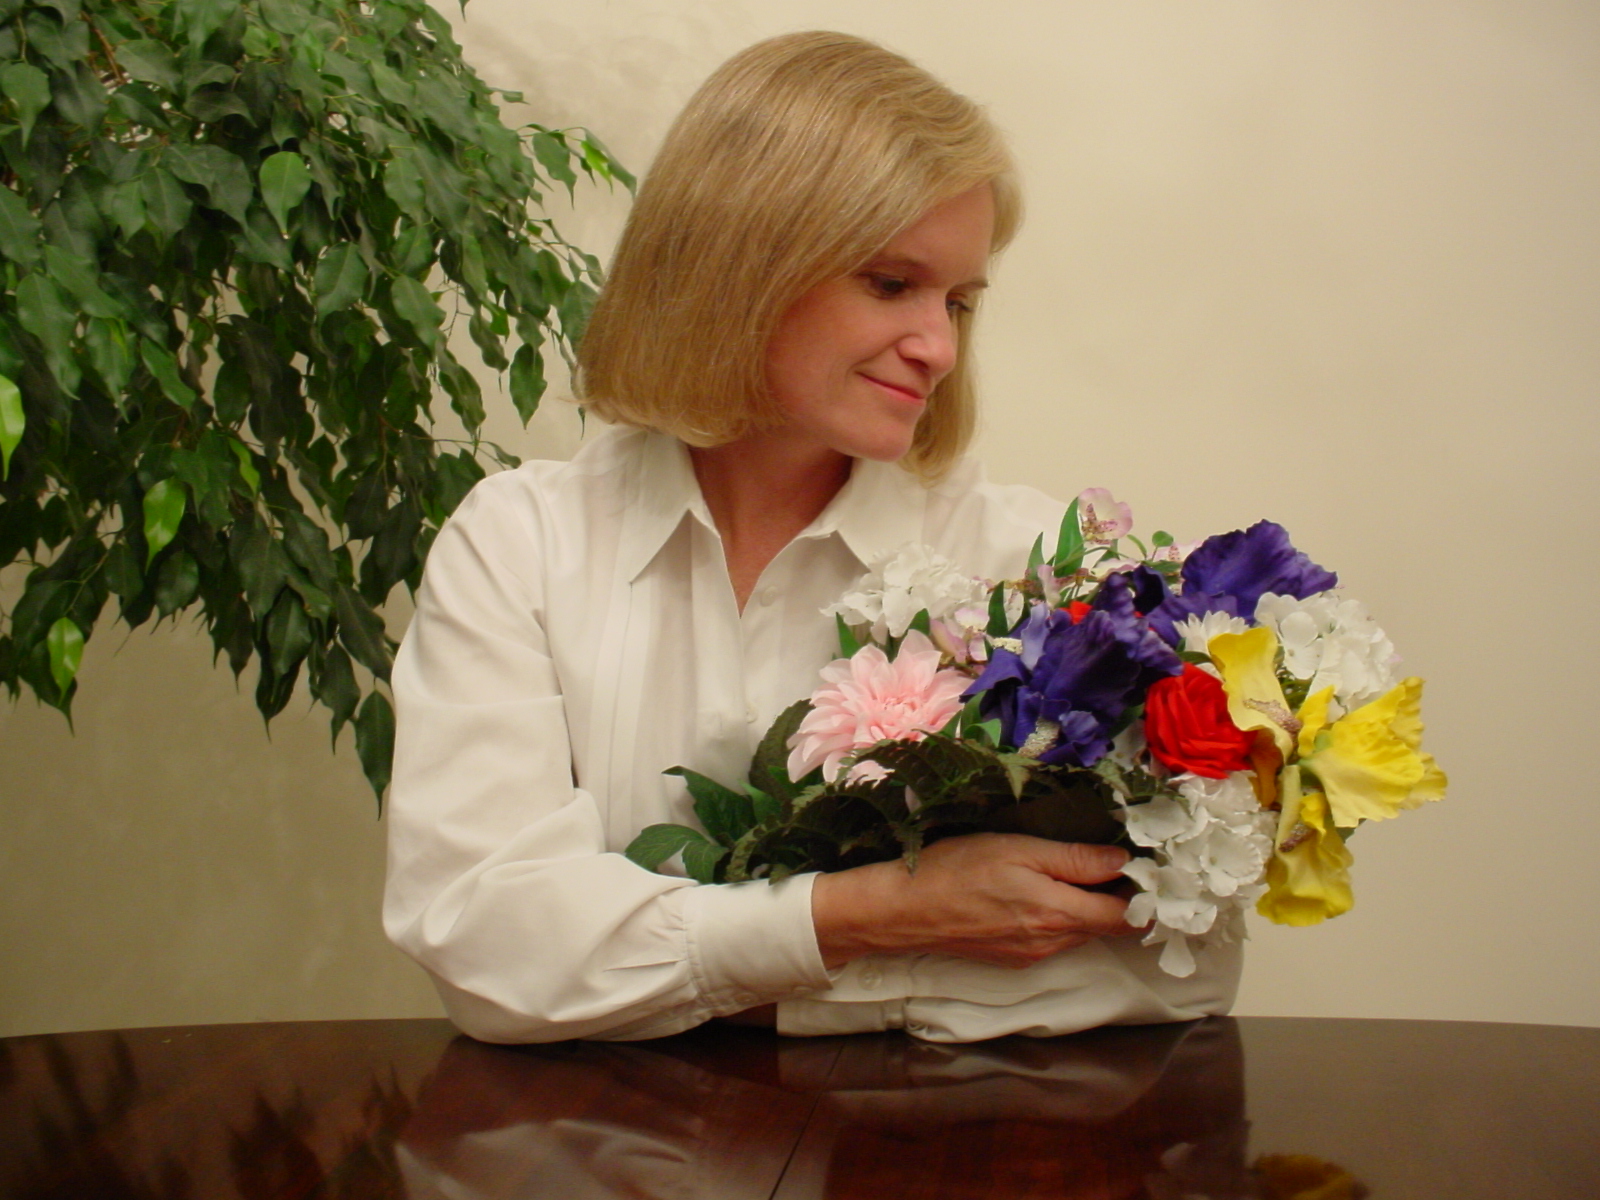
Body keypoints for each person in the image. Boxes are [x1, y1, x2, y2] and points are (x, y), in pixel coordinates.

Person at [383, 31, 1240, 1043]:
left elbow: (1186, 960)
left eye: (959, 301)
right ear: (738, 266)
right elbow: (487, 945)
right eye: (891, 283)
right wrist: (873, 919)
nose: (939, 347)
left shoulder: (1030, 569)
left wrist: (701, 982)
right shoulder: (520, 545)